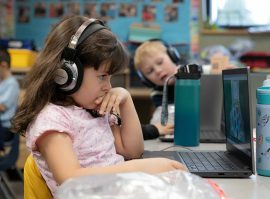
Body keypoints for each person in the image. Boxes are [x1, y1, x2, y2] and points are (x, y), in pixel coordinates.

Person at [11, 16, 186, 197]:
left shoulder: (93, 109)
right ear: (67, 75)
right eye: (102, 76)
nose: (108, 86)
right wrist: (137, 169)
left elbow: (132, 150)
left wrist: (126, 100)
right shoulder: (53, 119)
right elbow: (71, 179)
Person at [134, 40, 181, 139]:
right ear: (147, 81)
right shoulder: (158, 93)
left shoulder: (194, 74)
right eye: (150, 71)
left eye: (160, 62)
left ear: (173, 56)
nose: (158, 71)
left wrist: (184, 77)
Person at [0, 47, 20, 154]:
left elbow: (2, 107)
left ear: (4, 65)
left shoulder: (12, 84)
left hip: (5, 128)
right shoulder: (2, 82)